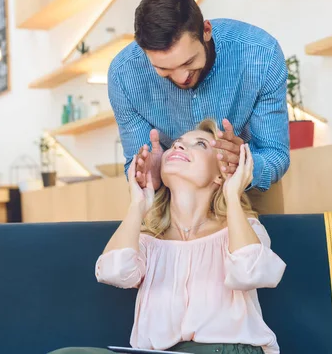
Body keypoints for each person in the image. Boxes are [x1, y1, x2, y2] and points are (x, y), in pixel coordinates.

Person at [49, 119, 286, 354]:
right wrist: (138, 203)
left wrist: (232, 194)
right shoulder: (150, 241)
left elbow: (249, 272)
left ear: (220, 174)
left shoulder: (242, 229)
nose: (178, 147)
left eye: (201, 144)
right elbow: (114, 272)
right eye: (177, 143)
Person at [108, 0, 290, 214]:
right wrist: (147, 174)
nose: (181, 78)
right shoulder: (124, 75)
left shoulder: (260, 55)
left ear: (206, 31)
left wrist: (245, 165)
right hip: (170, 193)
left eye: (188, 62)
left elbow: (275, 153)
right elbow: (136, 162)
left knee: (265, 244)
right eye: (163, 69)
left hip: (248, 185)